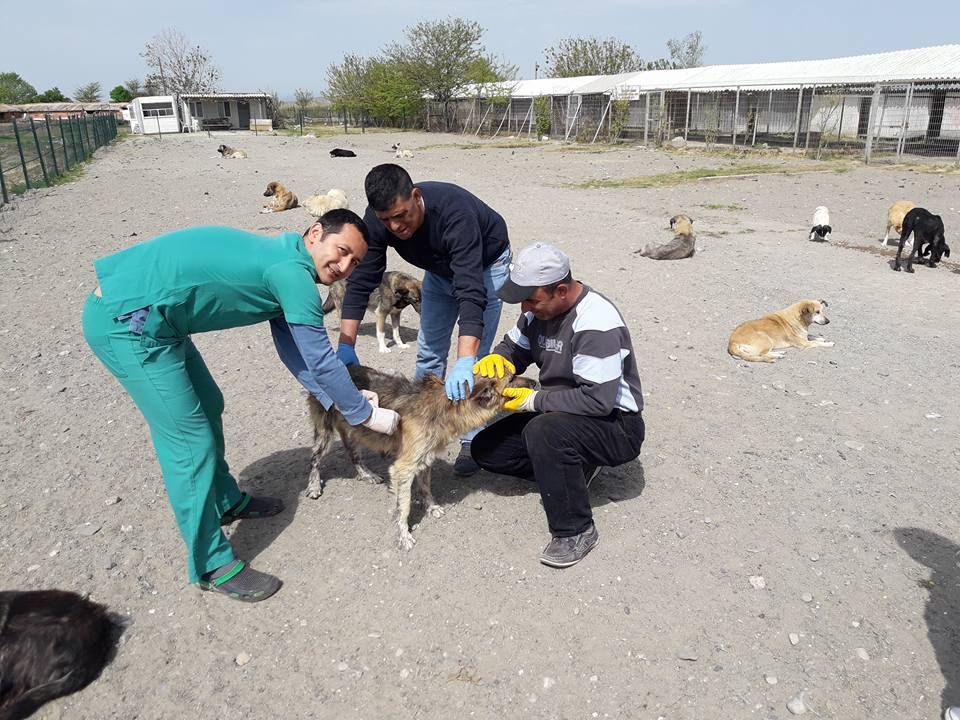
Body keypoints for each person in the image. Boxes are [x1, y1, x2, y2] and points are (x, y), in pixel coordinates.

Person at [81, 210, 400, 603]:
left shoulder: (289, 263)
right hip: (127, 321)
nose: (344, 266)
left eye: (355, 262)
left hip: (160, 321)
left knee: (209, 404)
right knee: (189, 440)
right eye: (342, 251)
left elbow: (294, 350)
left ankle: (225, 501)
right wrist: (362, 413)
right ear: (315, 233)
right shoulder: (291, 274)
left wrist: (334, 395)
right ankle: (211, 563)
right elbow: (319, 359)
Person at [470, 242, 646, 568]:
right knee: (486, 450)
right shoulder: (537, 313)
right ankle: (574, 469)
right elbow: (514, 348)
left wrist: (533, 400)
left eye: (531, 299)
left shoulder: (596, 322)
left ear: (561, 290)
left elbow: (597, 400)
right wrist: (501, 358)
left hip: (615, 424)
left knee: (544, 431)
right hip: (563, 414)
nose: (524, 306)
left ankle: (576, 530)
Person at [335, 163, 511, 475]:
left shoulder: (455, 215)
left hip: (485, 266)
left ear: (416, 197)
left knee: (475, 361)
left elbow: (471, 291)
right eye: (386, 220)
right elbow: (362, 281)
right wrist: (346, 345)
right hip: (439, 270)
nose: (396, 226)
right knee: (430, 350)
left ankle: (471, 439)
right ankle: (418, 432)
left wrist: (465, 360)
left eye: (401, 215)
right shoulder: (379, 221)